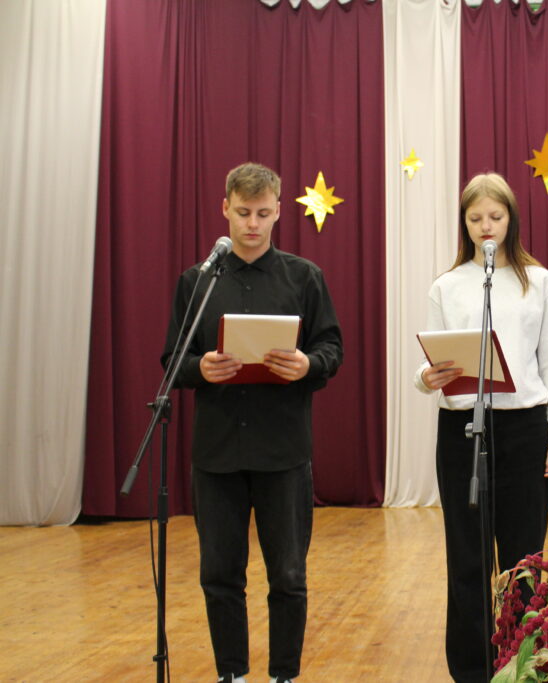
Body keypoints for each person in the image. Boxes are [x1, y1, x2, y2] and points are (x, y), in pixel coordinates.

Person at [162, 162, 343, 683]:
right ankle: (232, 675)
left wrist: (308, 364)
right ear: (225, 208)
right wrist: (201, 368)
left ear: (279, 211)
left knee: (288, 574)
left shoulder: (304, 277)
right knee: (220, 575)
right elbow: (172, 360)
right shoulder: (196, 282)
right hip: (216, 453)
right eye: (243, 213)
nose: (252, 224)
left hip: (283, 451)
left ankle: (283, 674)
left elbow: (331, 348)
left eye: (263, 214)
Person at [414, 172, 548, 682]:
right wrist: (426, 377)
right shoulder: (447, 285)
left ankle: (523, 665)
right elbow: (432, 361)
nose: (486, 226)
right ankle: (472, 670)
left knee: (524, 560)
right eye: (476, 218)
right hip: (462, 429)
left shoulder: (539, 282)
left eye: (496, 217)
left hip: (525, 429)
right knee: (467, 558)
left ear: (512, 220)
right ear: (463, 224)